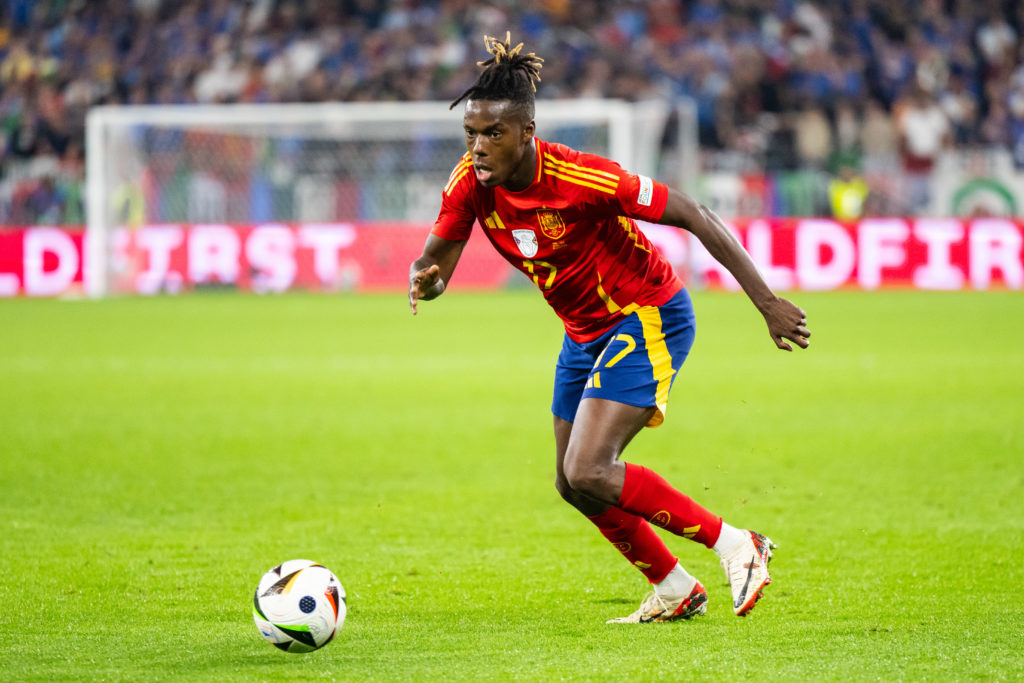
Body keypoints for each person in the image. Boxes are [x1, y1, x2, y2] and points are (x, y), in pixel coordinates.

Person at [408, 33, 810, 623]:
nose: (479, 147)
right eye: (471, 134)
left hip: (647, 313)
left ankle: (735, 544)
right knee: (572, 483)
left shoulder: (581, 179)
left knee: (589, 467)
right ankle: (674, 588)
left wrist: (767, 302)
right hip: (584, 333)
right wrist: (429, 281)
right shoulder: (470, 181)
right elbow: (437, 261)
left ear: (527, 132)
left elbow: (694, 214)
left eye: (493, 133)